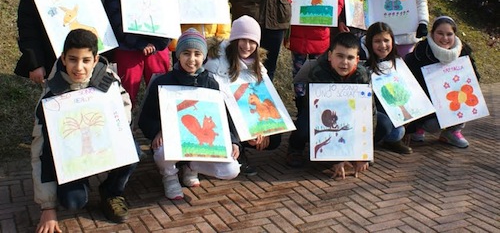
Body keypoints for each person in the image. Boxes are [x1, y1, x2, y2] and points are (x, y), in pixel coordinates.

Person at [32, 29, 138, 233]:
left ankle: (112, 191)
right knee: (73, 202)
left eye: (86, 60)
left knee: (132, 150)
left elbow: (125, 111)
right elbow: (39, 151)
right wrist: (47, 207)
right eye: (72, 59)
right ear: (63, 58)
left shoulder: (110, 80)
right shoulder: (51, 98)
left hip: (102, 145)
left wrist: (114, 135)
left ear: (95, 59)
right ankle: (80, 181)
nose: (79, 67)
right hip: (72, 156)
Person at [138, 28, 240, 200]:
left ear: (204, 57)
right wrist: (157, 131)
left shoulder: (211, 84)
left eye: (197, 54)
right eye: (186, 53)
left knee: (231, 170)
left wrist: (233, 140)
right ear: (178, 55)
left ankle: (192, 166)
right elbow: (145, 117)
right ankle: (169, 176)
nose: (191, 59)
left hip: (200, 139)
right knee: (162, 150)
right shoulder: (162, 82)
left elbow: (224, 117)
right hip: (172, 141)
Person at [287, 33, 392, 178]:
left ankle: (353, 152)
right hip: (320, 115)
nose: (344, 62)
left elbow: (369, 112)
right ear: (330, 56)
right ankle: (295, 148)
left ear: (357, 59)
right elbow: (320, 115)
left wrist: (363, 152)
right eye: (340, 56)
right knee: (304, 125)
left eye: (350, 58)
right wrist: (337, 158)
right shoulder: (318, 72)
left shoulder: (363, 75)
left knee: (384, 124)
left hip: (350, 114)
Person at [205, 15, 282, 176]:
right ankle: (235, 150)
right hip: (222, 118)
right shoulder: (215, 62)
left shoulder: (257, 66)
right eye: (243, 40)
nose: (247, 46)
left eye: (252, 41)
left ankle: (239, 147)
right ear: (234, 40)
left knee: (274, 139)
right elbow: (220, 105)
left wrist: (261, 129)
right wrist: (244, 132)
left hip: (246, 114)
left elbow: (260, 98)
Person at [104, 0, 171, 106]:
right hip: (128, 46)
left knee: (162, 93)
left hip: (158, 46)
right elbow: (115, 16)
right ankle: (126, 127)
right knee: (126, 92)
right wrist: (138, 43)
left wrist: (159, 42)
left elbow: (168, 14)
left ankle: (159, 128)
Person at [288, 0, 343, 117]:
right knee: (299, 78)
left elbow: (339, 0)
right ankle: (302, 112)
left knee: (319, 77)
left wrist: (330, 13)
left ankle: (318, 114)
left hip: (319, 35)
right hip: (297, 35)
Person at [404, 16, 480, 148]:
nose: (445, 38)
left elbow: (474, 79)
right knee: (433, 126)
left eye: (449, 34)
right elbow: (410, 84)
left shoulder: (463, 52)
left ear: (454, 35)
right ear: (432, 33)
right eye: (440, 33)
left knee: (467, 102)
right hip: (427, 105)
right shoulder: (421, 52)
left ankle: (452, 131)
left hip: (453, 101)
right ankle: (418, 126)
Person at [364, 22, 413, 154]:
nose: (383, 45)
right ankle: (364, 146)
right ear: (370, 42)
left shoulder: (397, 63)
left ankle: (391, 142)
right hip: (370, 109)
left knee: (399, 131)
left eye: (386, 40)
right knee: (385, 124)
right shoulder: (363, 65)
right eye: (377, 41)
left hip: (391, 106)